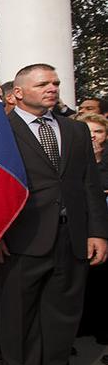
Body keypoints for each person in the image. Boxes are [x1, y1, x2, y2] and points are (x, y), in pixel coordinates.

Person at [0, 64, 108, 365]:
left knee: (62, 313)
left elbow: (88, 184)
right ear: (19, 93)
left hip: (71, 237)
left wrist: (98, 232)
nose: (52, 88)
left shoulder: (74, 131)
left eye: (55, 82)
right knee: (19, 313)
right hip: (20, 239)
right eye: (43, 83)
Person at [74, 113, 108, 347]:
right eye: (88, 131)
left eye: (98, 131)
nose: (92, 136)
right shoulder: (70, 158)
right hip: (76, 228)